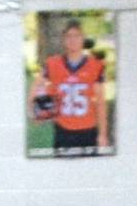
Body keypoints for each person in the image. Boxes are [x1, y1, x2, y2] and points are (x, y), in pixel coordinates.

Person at [28, 18, 109, 155]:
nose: (73, 40)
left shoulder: (95, 65)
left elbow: (101, 102)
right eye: (69, 36)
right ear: (64, 40)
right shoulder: (53, 64)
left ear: (83, 39)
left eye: (77, 36)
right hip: (63, 130)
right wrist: (34, 109)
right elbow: (36, 86)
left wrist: (103, 134)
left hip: (88, 130)